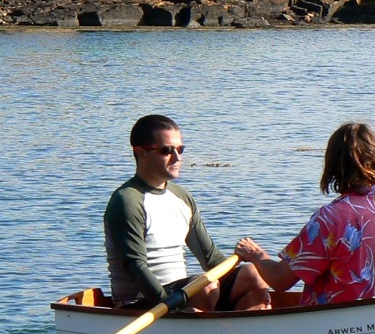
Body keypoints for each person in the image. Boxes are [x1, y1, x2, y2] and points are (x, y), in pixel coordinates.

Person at [234, 122, 375, 305]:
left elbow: (280, 280)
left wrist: (256, 255)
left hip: (336, 324)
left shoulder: (330, 219)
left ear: (333, 165)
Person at [104, 114, 270, 311]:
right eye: (167, 150)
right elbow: (135, 267)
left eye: (180, 149)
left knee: (251, 274)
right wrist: (169, 308)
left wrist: (262, 267)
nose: (178, 157)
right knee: (205, 284)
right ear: (140, 152)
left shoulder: (181, 197)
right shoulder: (127, 201)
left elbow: (210, 260)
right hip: (143, 303)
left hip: (182, 295)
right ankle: (200, 332)